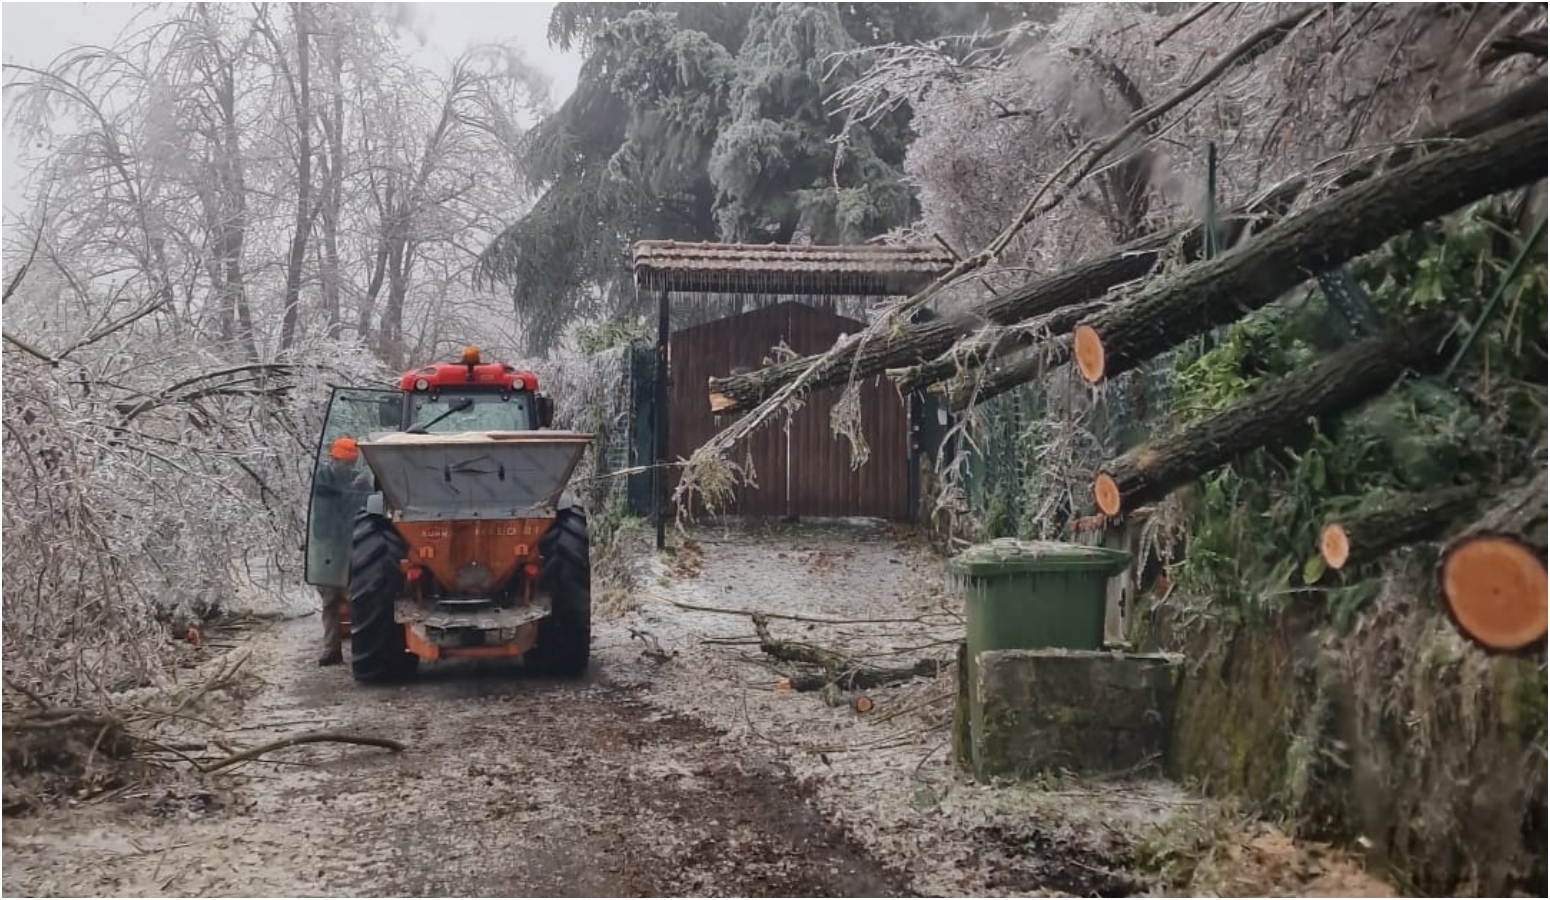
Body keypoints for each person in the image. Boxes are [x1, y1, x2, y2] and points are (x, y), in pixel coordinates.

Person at [312, 436, 372, 666]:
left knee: (359, 600)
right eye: (341, 462)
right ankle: (332, 650)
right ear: (333, 459)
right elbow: (324, 511)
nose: (344, 467)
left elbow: (365, 513)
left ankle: (364, 649)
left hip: (353, 547)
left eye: (348, 464)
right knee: (329, 600)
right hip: (328, 547)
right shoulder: (322, 480)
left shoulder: (361, 483)